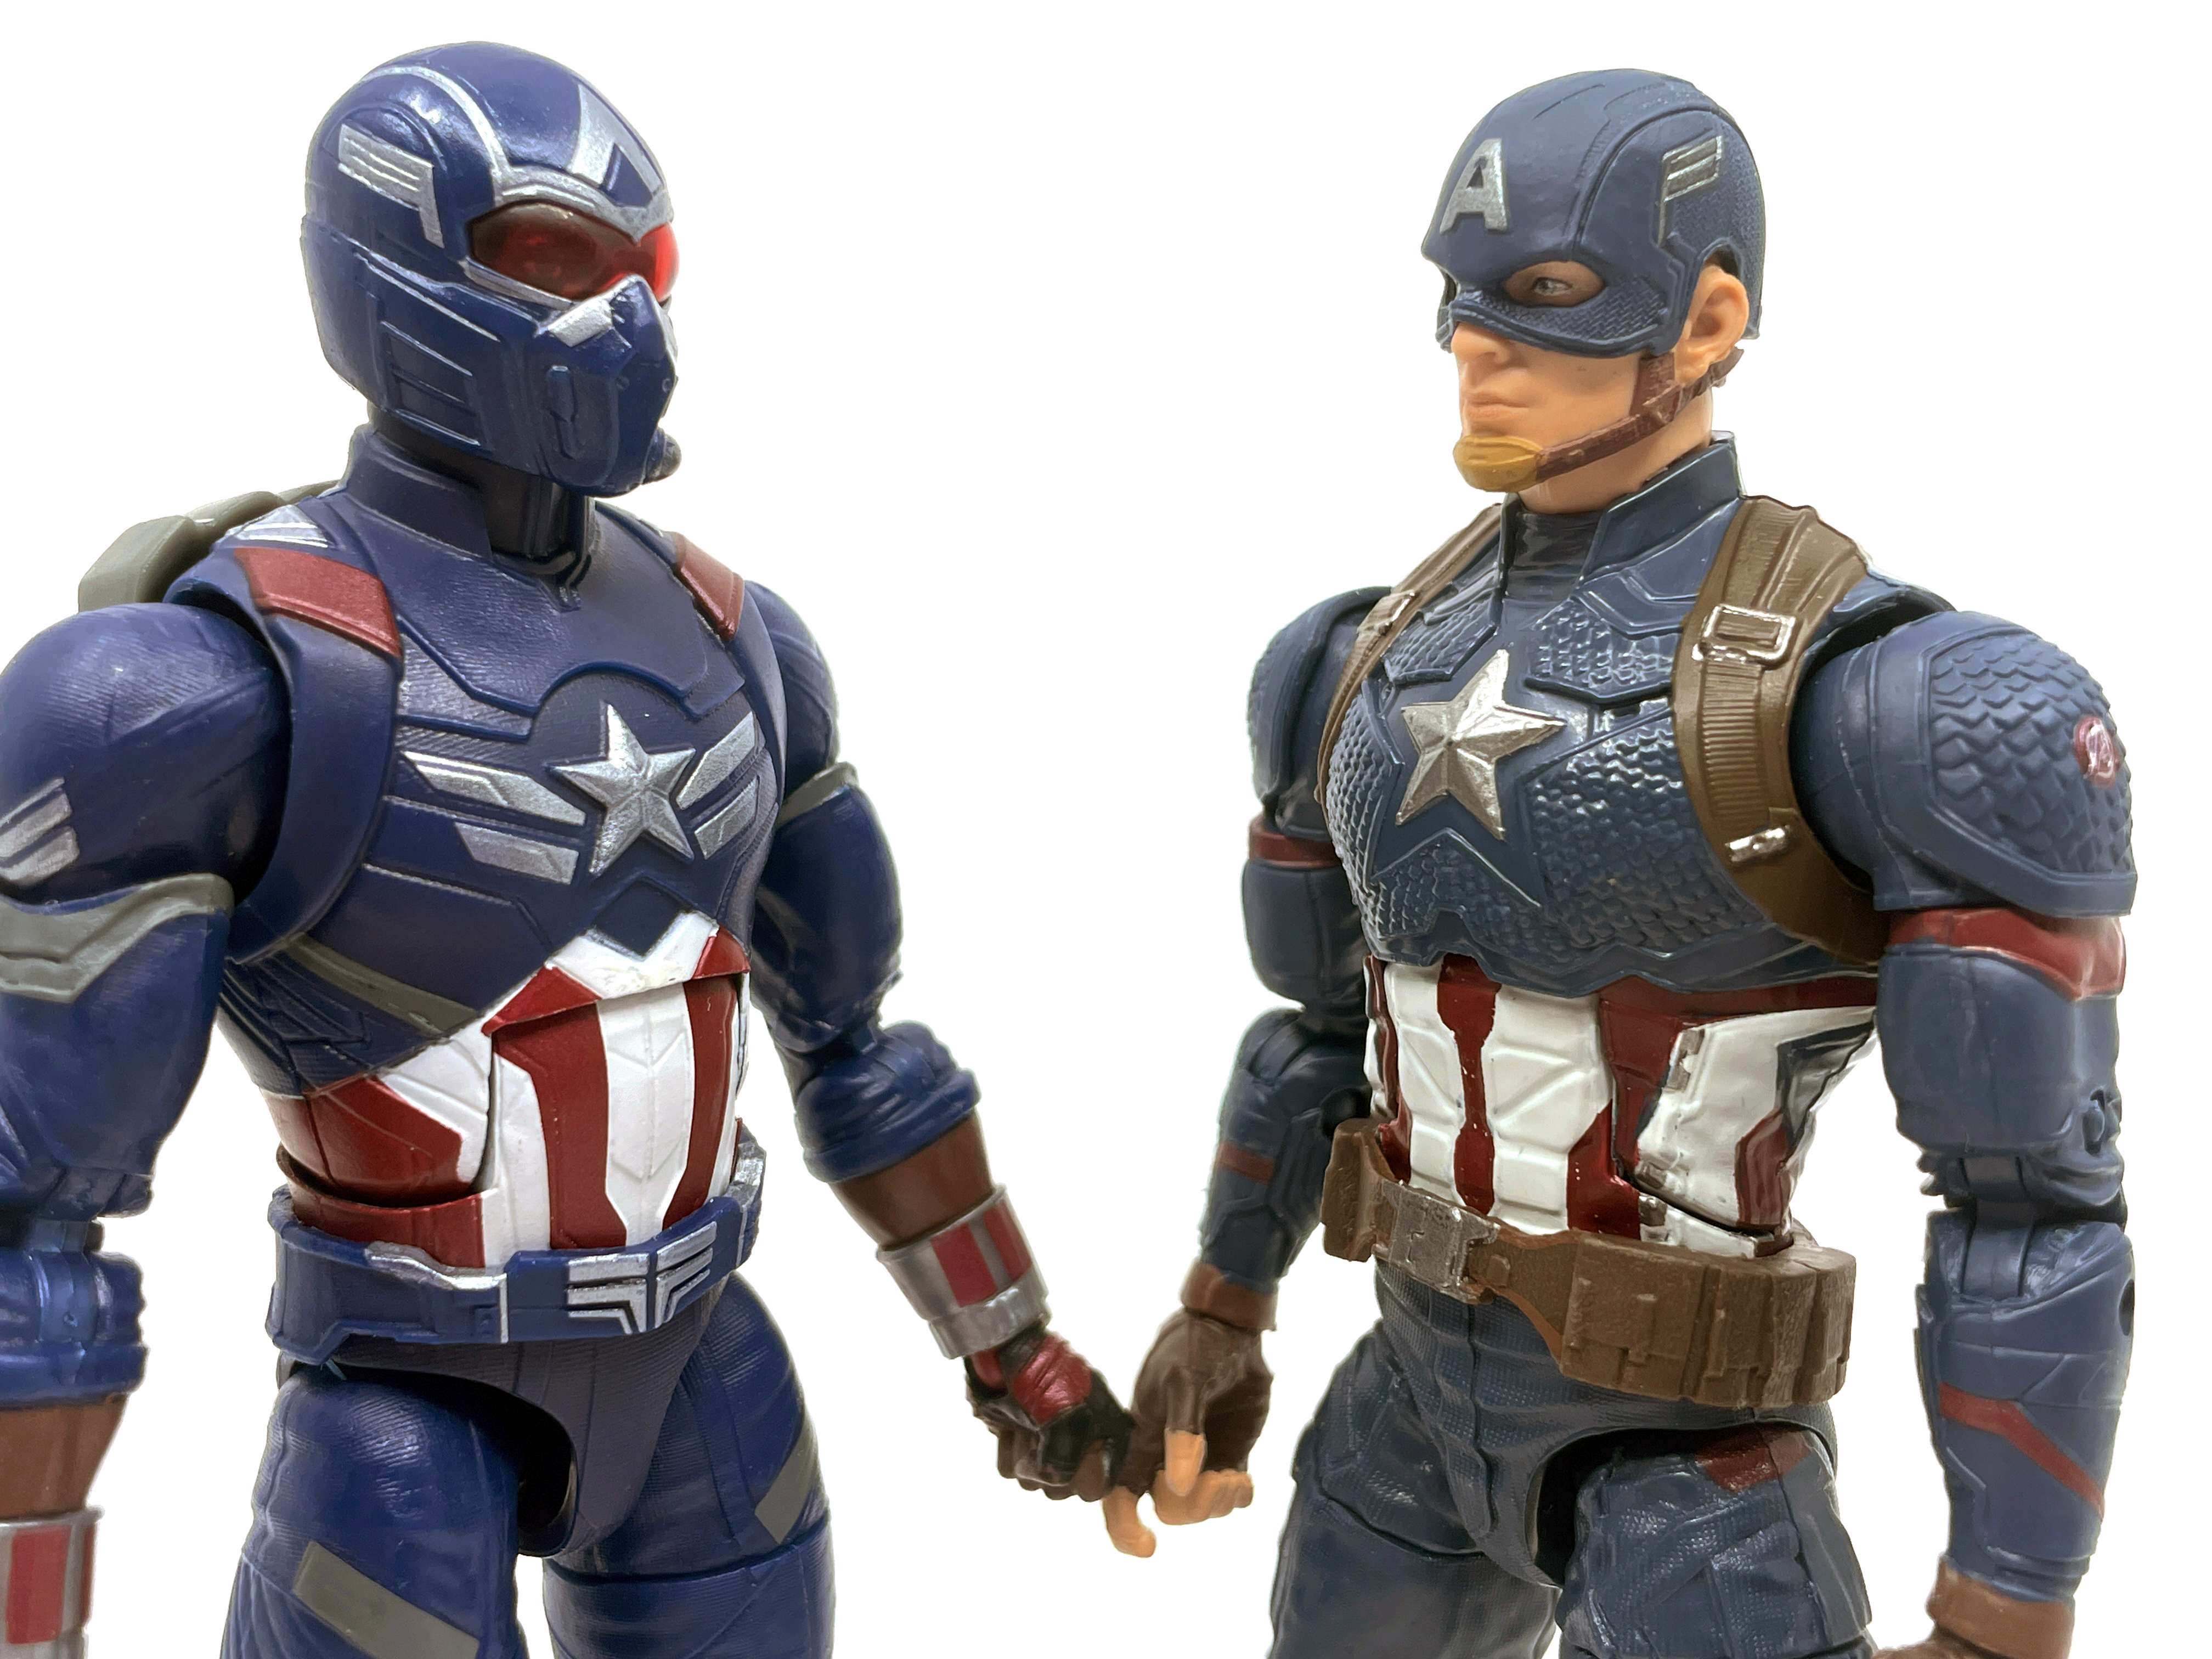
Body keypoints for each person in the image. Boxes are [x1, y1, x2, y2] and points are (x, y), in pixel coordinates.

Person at [0, 43, 1125, 1658]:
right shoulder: (207, 686)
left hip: (707, 1375)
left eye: (644, 269)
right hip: (405, 1402)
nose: (625, 319)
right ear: (392, 264)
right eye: (551, 257)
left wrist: (1017, 1350)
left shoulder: (737, 636)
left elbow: (859, 1048)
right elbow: (36, 1240)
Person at [1103, 69, 2130, 1659]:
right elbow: (1316, 1042)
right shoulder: (1346, 664)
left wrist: (2005, 1611)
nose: (1475, 344)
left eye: (1549, 296)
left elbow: (2032, 1204)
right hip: (1400, 1411)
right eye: (1460, 296)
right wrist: (1223, 1308)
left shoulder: (1891, 704)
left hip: (1686, 1455)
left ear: (1709, 320)